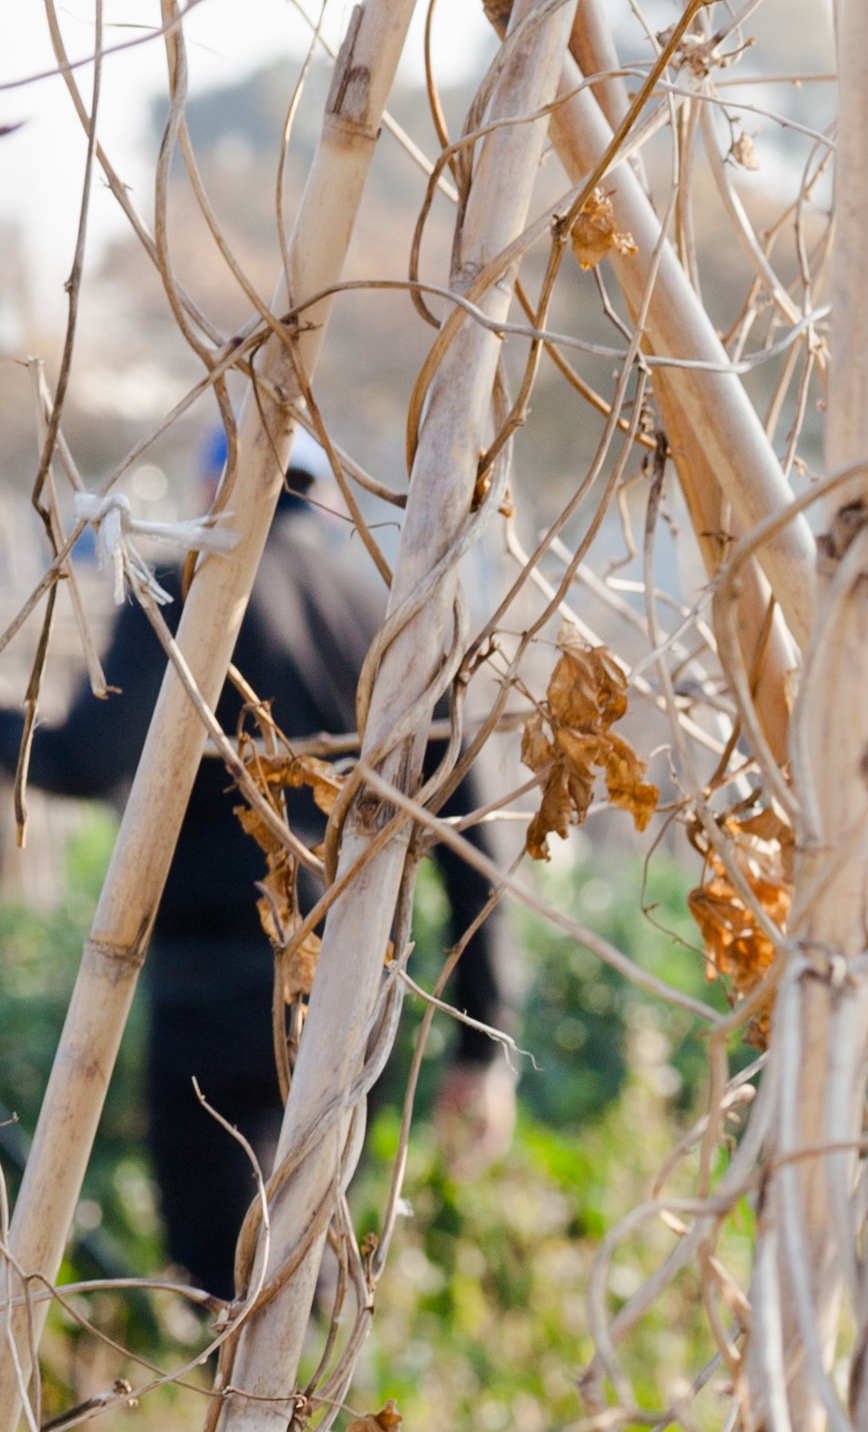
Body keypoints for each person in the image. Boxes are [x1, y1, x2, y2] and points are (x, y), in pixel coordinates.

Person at [12, 432, 513, 1302]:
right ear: (325, 494)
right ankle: (290, 1429)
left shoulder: (189, 589)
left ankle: (240, 1426)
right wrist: (483, 1043)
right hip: (355, 986)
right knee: (298, 1265)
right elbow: (474, 846)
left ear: (220, 481)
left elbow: (85, 760)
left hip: (216, 983)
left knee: (218, 1275)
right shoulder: (396, 616)